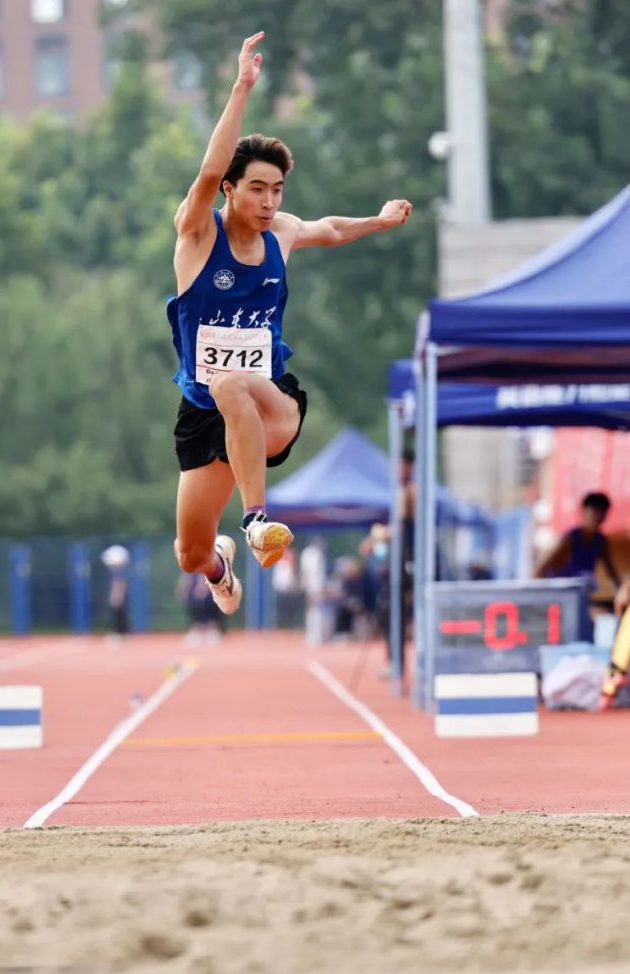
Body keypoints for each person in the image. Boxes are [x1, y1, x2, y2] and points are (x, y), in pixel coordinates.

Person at [168, 31, 411, 616]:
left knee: (233, 384)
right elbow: (204, 171)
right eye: (256, 189)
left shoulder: (282, 233)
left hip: (271, 400)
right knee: (188, 552)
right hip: (204, 413)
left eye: (277, 190)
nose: (269, 201)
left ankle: (255, 522)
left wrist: (378, 222)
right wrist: (242, 86)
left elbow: (328, 228)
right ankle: (222, 567)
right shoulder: (198, 235)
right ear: (229, 190)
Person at [534, 492, 621, 594]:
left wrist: (622, 592)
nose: (598, 517)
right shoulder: (570, 539)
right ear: (584, 511)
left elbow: (612, 574)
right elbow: (540, 569)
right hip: (559, 594)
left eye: (602, 513)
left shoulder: (600, 542)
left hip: (579, 594)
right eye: (594, 512)